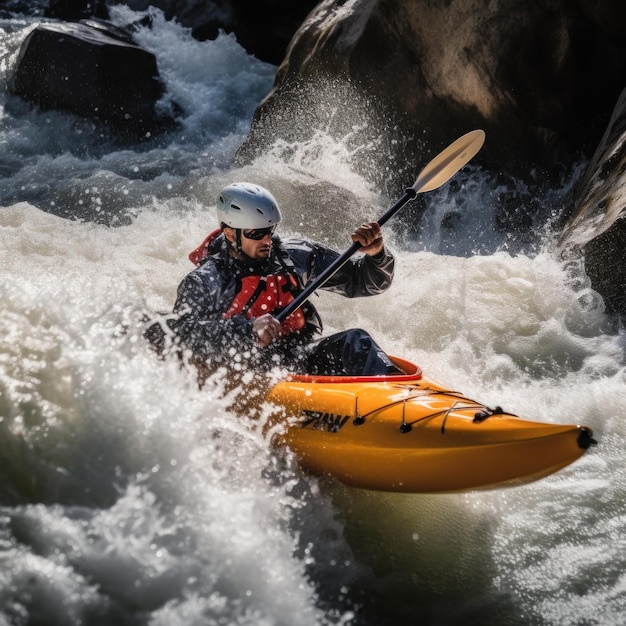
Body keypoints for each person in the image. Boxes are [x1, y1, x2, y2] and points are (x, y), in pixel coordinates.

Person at [165, 182, 401, 377]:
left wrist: (376, 254)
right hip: (244, 372)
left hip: (297, 359)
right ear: (229, 233)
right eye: (256, 234)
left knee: (356, 341)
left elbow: (365, 281)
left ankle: (400, 398)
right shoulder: (206, 281)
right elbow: (180, 335)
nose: (267, 240)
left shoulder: (297, 256)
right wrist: (246, 331)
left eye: (270, 230)